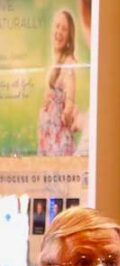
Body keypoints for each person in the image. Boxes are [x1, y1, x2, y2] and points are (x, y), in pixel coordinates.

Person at [37, 9, 79, 157]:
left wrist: (68, 111)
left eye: (64, 29)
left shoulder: (68, 63)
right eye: (57, 26)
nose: (59, 32)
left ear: (69, 37)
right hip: (49, 141)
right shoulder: (56, 62)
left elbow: (70, 98)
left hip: (58, 144)